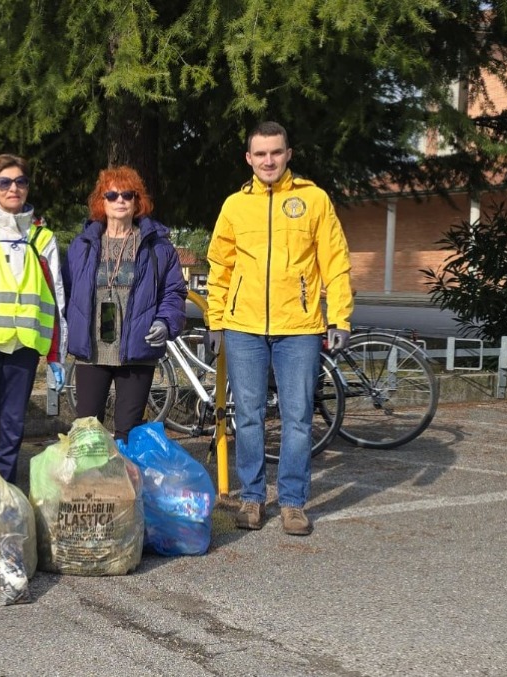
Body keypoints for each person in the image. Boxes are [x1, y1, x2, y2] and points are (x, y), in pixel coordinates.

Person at [205, 121, 353, 537]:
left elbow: (335, 262)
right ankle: (252, 498)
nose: (268, 160)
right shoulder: (235, 205)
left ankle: (292, 502)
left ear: (288, 153)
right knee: (248, 417)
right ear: (249, 158)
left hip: (299, 328)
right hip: (243, 327)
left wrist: (339, 316)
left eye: (276, 152)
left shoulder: (314, 200)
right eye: (260, 154)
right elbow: (220, 267)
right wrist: (216, 320)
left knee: (298, 418)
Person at [62, 166, 186, 443]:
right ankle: (89, 486)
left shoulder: (158, 247)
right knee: (86, 431)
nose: (120, 200)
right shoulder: (81, 246)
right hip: (91, 351)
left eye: (127, 195)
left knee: (129, 432)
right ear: (101, 201)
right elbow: (66, 292)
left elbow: (174, 292)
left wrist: (165, 322)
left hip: (137, 350)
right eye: (112, 194)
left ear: (137, 201)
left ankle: (127, 486)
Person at [0, 154, 66, 483]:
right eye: (4, 182)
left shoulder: (43, 239)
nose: (13, 188)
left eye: (20, 182)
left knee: (12, 429)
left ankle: (4, 497)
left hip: (23, 346)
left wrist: (56, 356)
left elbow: (56, 298)